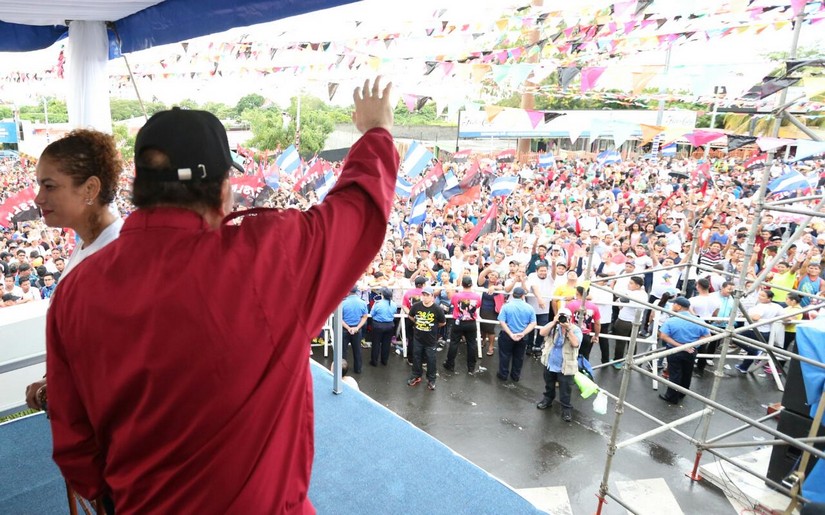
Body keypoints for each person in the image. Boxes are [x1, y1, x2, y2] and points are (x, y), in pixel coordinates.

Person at [45, 77, 397, 513]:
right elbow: (358, 209)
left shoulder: (74, 292)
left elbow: (75, 445)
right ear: (223, 189)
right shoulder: (271, 257)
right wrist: (376, 131)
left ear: (142, 189)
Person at [24, 129, 125, 412]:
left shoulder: (117, 255)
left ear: (90, 189)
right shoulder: (87, 246)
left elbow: (114, 362)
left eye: (49, 186)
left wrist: (54, 391)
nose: (38, 198)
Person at [658, 297, 710, 404]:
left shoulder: (671, 321)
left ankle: (672, 396)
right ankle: (682, 393)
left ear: (679, 306)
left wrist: (681, 346)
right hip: (691, 351)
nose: (672, 306)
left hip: (674, 350)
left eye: (674, 304)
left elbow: (663, 336)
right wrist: (693, 345)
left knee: (675, 373)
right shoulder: (699, 320)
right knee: (687, 372)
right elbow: (707, 336)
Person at [536, 307, 582, 422]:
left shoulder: (575, 330)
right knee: (549, 385)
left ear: (570, 318)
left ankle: (566, 409)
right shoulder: (554, 327)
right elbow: (542, 332)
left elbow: (575, 344)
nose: (562, 319)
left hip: (565, 366)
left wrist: (568, 329)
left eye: (565, 317)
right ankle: (547, 400)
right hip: (550, 363)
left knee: (565, 390)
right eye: (560, 316)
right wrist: (553, 322)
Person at [407, 286, 446, 390]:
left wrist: (433, 326)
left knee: (431, 360)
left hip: (431, 340)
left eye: (427, 295)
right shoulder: (416, 306)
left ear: (432, 296)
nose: (425, 297)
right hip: (418, 338)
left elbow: (443, 322)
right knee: (416, 358)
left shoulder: (437, 309)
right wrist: (417, 323)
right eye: (423, 295)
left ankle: (431, 380)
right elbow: (410, 315)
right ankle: (416, 376)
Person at [496, 286, 537, 382]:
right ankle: (515, 376)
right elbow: (533, 323)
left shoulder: (506, 306)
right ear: (523, 296)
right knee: (519, 357)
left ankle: (503, 374)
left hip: (507, 335)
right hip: (522, 336)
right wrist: (523, 333)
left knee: (504, 355)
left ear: (513, 295)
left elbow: (502, 321)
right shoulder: (529, 308)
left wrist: (510, 333)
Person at [443, 275, 483, 374]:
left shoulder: (457, 296)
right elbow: (478, 306)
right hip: (471, 322)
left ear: (462, 284)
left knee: (454, 343)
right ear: (471, 284)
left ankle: (450, 364)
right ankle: (471, 367)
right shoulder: (477, 296)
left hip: (458, 322)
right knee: (471, 344)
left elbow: (453, 303)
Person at [566, 286, 601, 362]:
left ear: (577, 293)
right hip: (585, 335)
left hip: (572, 333)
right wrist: (596, 335)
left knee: (569, 357)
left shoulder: (570, 305)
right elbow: (597, 323)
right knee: (584, 358)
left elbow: (565, 320)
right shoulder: (594, 306)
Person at [341, 285, 369, 374]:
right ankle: (358, 369)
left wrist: (348, 328)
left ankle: (342, 371)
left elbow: (340, 319)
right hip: (357, 329)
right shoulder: (362, 302)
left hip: (345, 329)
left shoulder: (343, 303)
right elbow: (365, 317)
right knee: (357, 351)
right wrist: (357, 327)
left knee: (343, 351)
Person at [369, 287, 397, 366]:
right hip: (390, 325)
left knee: (376, 343)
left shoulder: (378, 303)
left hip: (378, 325)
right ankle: (384, 361)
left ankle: (374, 361)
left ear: (383, 295)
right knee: (386, 344)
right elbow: (394, 312)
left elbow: (372, 314)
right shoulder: (394, 304)